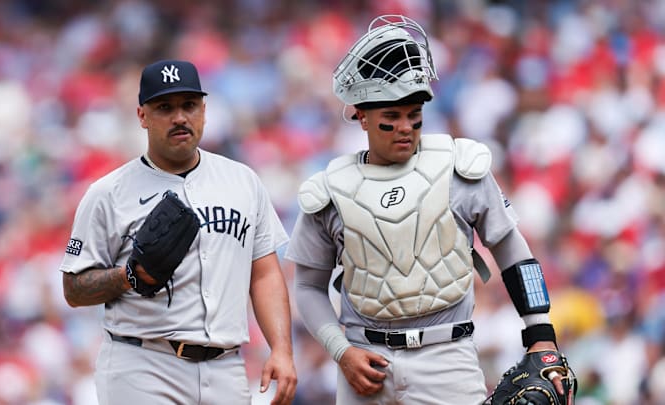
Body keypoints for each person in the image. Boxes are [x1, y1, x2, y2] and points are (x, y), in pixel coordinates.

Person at [285, 15, 571, 404]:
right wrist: (340, 350)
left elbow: (514, 254)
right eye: (392, 117)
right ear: (361, 115)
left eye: (413, 115)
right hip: (365, 361)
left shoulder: (458, 167)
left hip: (447, 356)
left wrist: (540, 333)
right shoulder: (331, 189)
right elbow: (307, 286)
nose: (405, 127)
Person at [59, 59, 297, 405]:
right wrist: (129, 276)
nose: (179, 117)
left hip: (225, 367)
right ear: (142, 116)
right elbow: (74, 290)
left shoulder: (242, 181)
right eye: (164, 107)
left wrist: (281, 349)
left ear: (204, 109)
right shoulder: (108, 193)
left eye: (188, 105)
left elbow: (264, 275)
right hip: (143, 364)